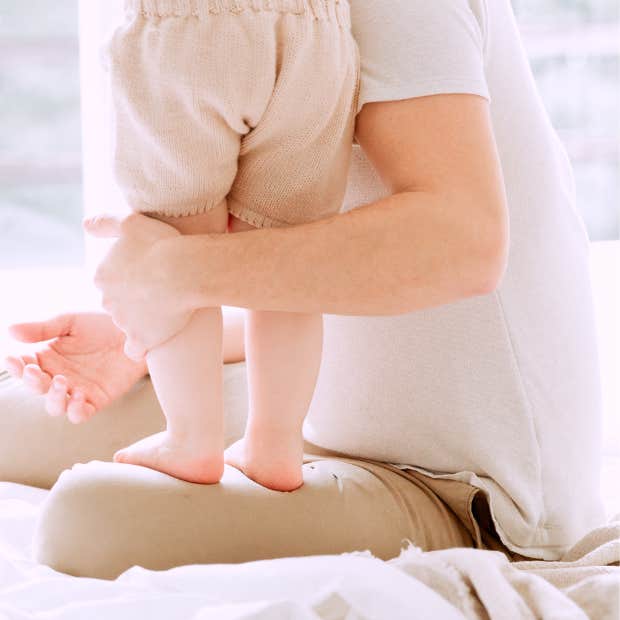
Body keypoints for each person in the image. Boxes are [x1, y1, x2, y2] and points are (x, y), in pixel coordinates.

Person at [2, 0, 606, 580]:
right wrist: (151, 330)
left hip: (461, 485)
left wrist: (176, 272)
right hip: (321, 408)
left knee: (89, 521)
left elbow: (464, 245)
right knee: (8, 416)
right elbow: (310, 271)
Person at [97, 0, 360, 491]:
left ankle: (190, 439)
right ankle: (276, 444)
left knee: (177, 246)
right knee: (287, 259)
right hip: (316, 32)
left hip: (187, 25)